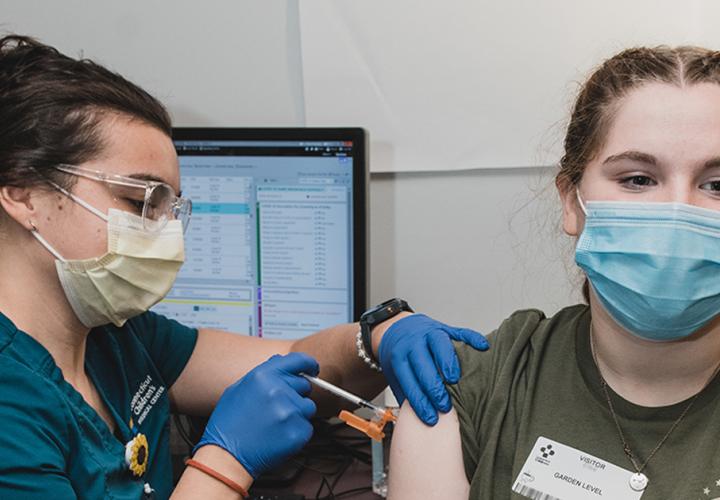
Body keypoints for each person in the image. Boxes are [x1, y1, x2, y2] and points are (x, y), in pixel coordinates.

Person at [0, 35, 490, 499]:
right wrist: (225, 459)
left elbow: (299, 358)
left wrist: (377, 338)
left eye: (171, 210)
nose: (165, 235)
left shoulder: (117, 340)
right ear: (22, 192)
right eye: (140, 200)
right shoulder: (12, 400)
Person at [387, 45, 720, 500]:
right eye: (637, 179)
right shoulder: (470, 388)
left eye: (716, 184)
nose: (678, 212)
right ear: (571, 203)